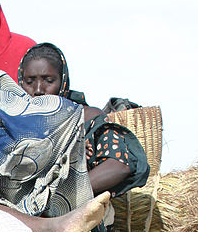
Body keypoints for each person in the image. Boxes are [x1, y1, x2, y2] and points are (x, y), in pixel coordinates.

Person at [17, 42, 150, 198]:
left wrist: (59, 194)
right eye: (30, 81)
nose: (39, 90)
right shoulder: (13, 124)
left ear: (63, 82)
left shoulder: (86, 117)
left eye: (48, 80)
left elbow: (119, 164)